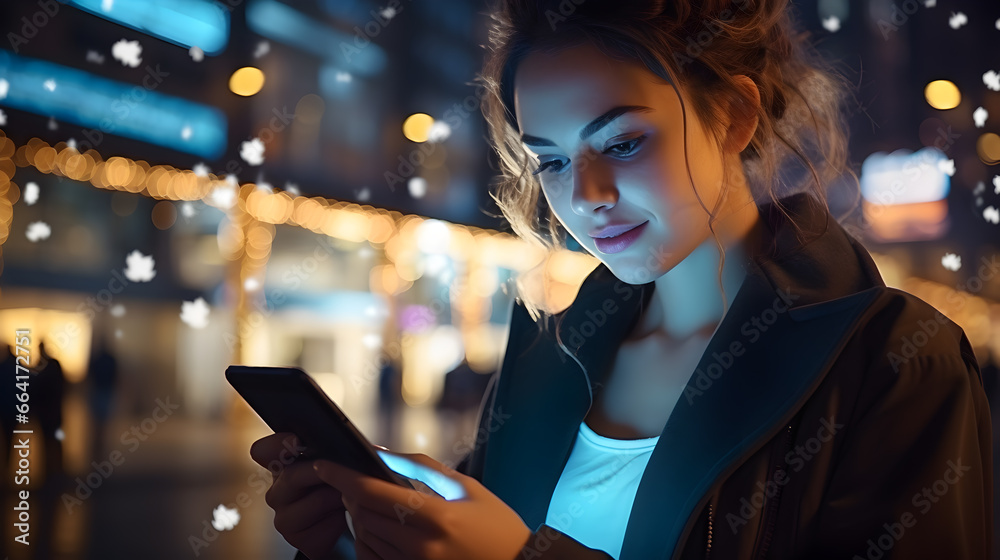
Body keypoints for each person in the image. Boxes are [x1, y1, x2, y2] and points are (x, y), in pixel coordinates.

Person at [249, 1, 993, 559]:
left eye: (623, 142)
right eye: (553, 160)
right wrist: (354, 538)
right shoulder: (552, 357)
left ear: (733, 116)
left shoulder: (895, 361)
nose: (587, 195)